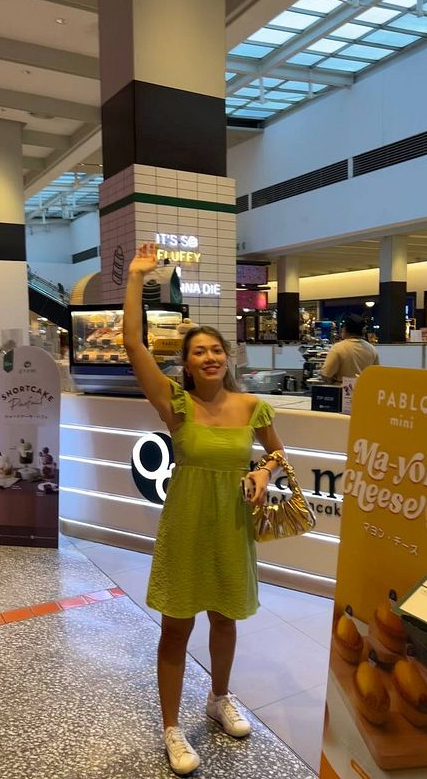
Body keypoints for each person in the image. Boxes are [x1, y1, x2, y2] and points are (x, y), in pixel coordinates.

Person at [123, 242, 284, 776]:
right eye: (199, 352)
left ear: (227, 358)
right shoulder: (176, 404)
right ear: (187, 364)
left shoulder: (252, 406)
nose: (210, 357)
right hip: (187, 524)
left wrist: (263, 472)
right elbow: (132, 344)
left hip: (231, 526)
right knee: (176, 627)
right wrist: (136, 278)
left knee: (225, 617)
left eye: (217, 350)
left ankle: (219, 698)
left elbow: (278, 454)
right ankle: (171, 726)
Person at [320, 313, 379, 383]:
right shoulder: (372, 349)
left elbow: (326, 374)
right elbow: (376, 374)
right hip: (364, 388)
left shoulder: (338, 348)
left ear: (345, 329)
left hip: (342, 388)